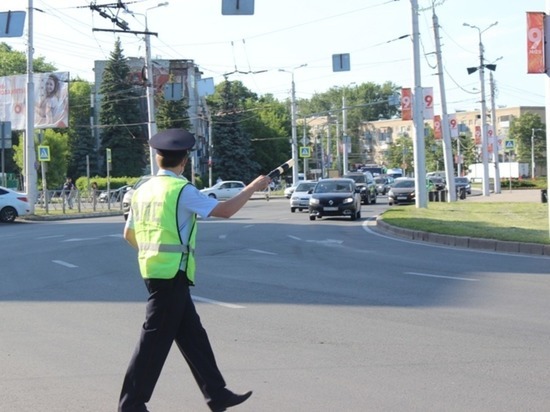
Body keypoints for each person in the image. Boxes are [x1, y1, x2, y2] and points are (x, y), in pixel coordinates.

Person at [119, 128, 270, 412]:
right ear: (184, 161)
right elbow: (224, 211)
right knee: (152, 342)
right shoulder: (181, 190)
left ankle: (217, 394)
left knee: (192, 334)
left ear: (157, 157)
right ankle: (131, 405)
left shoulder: (142, 191)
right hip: (172, 275)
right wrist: (252, 188)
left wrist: (152, 252)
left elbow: (128, 234)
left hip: (154, 273)